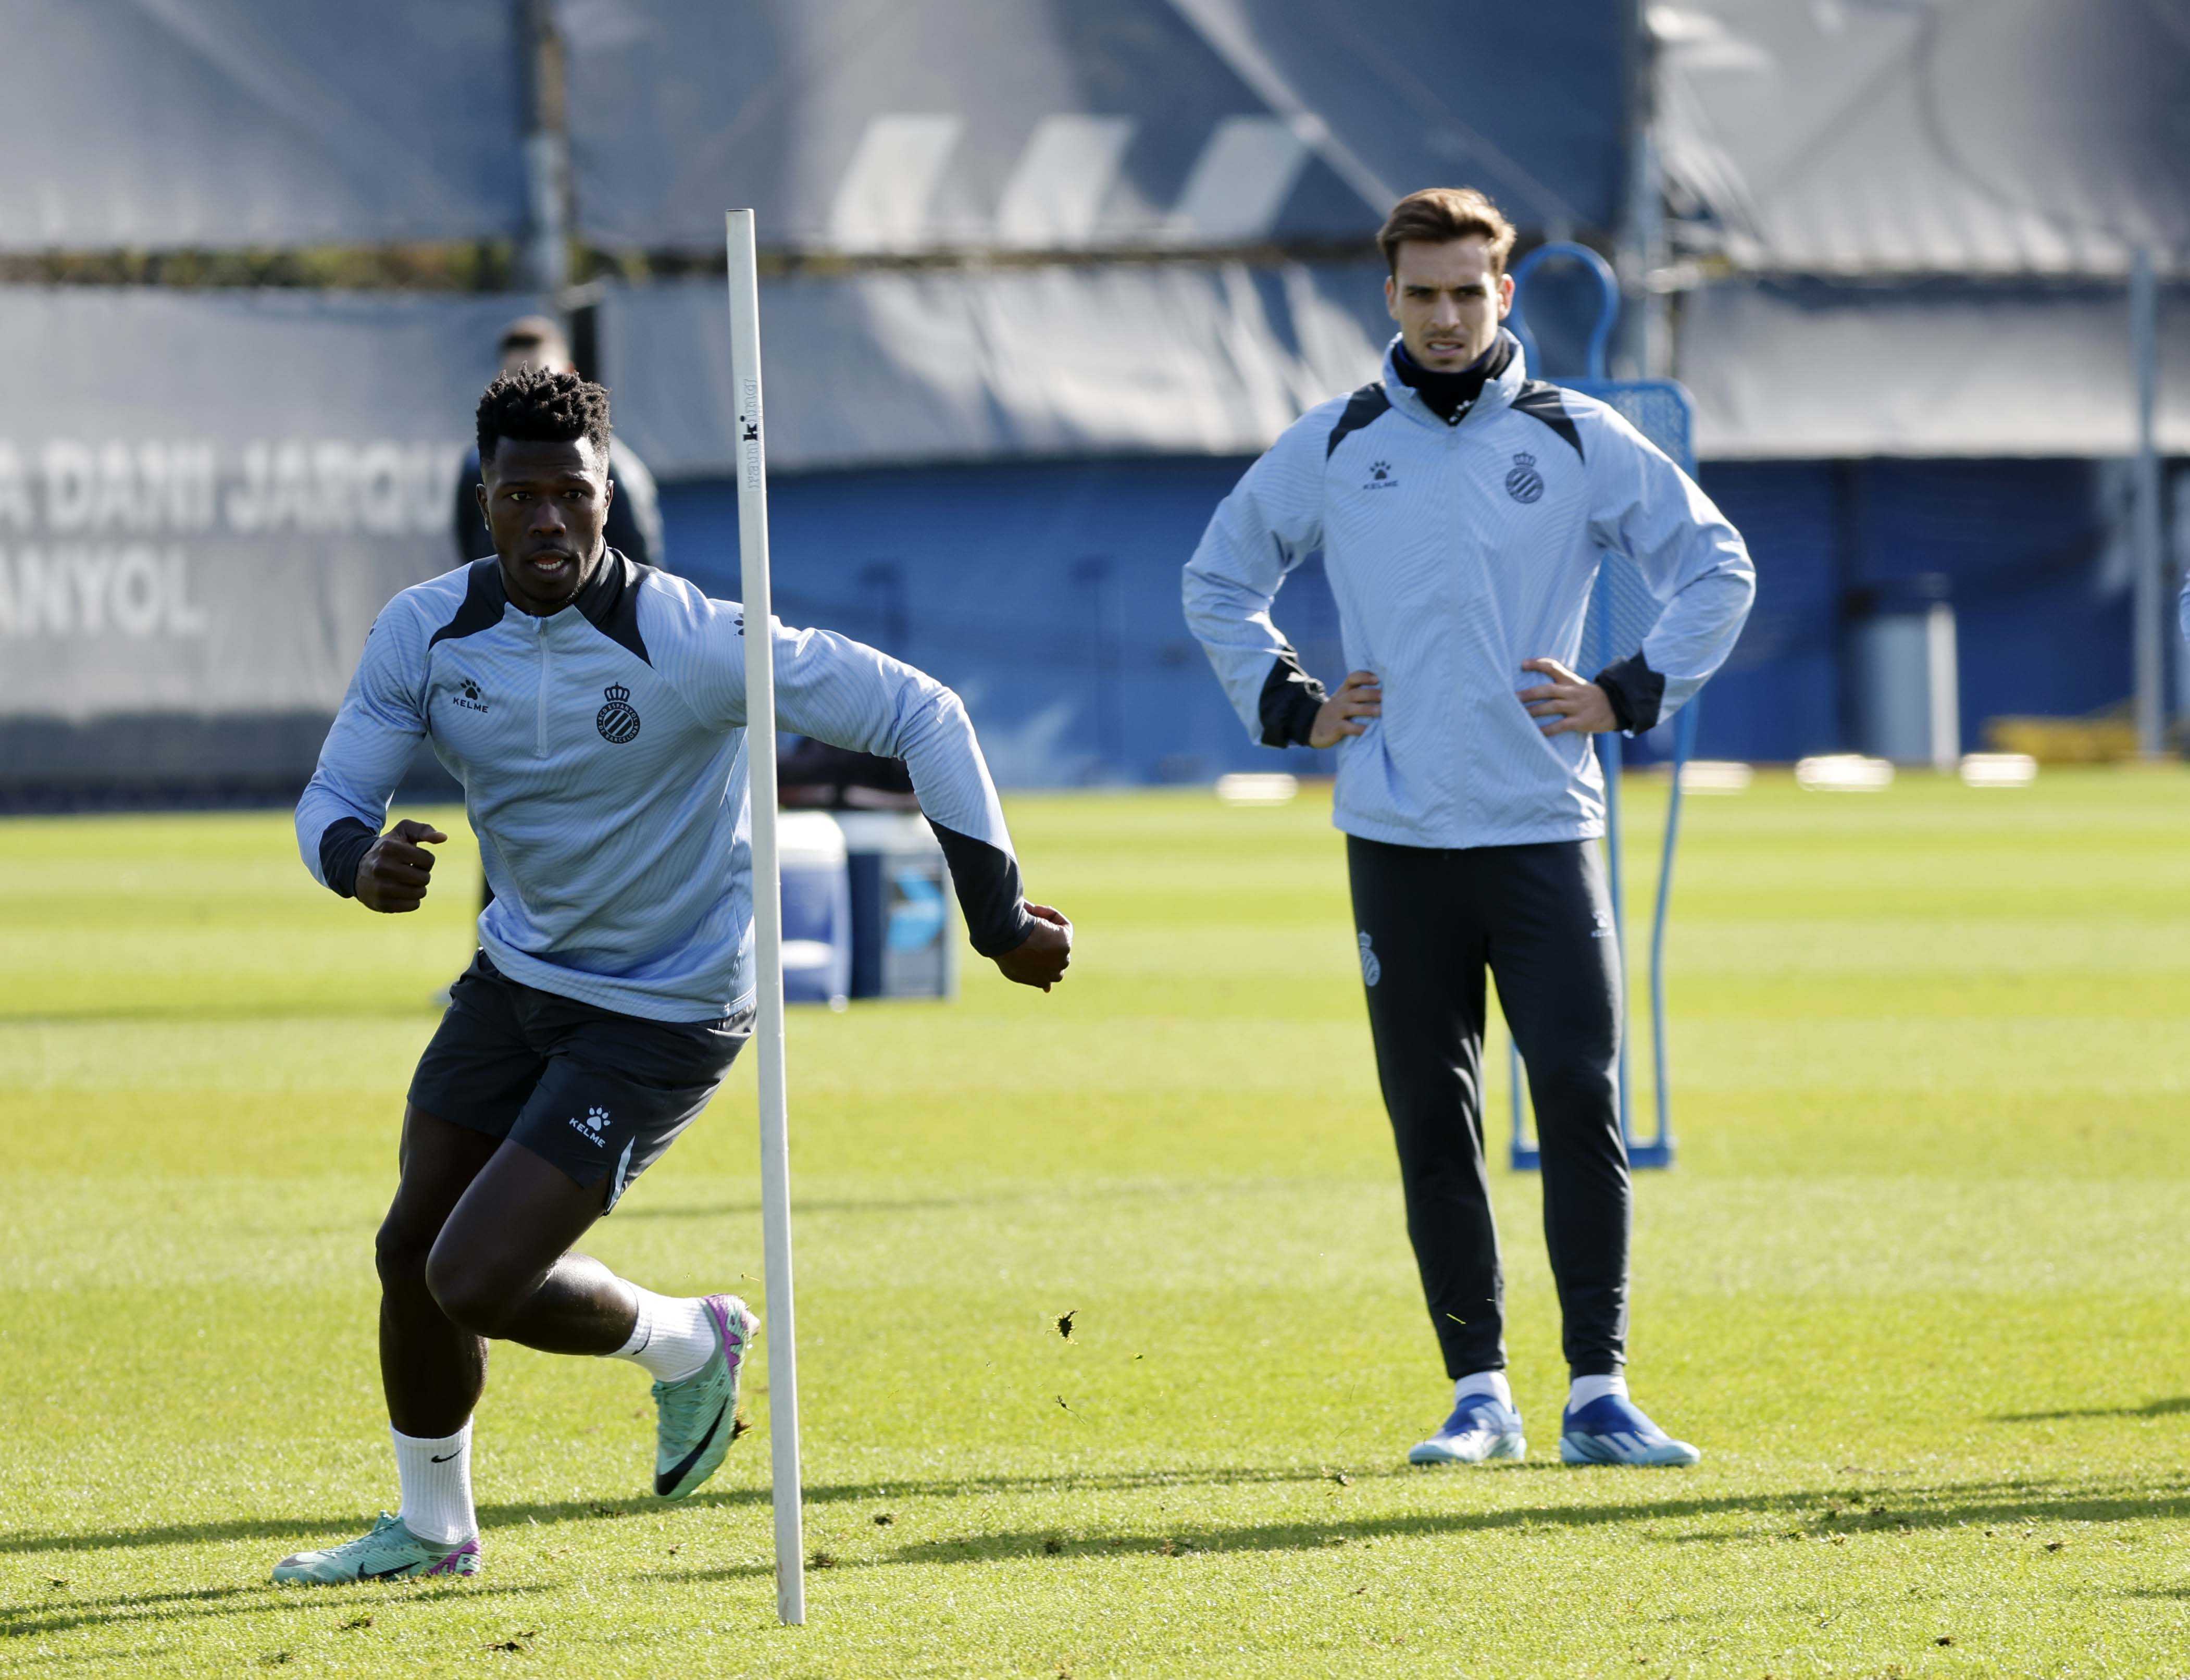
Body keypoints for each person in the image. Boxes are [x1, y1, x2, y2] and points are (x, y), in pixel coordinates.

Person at [277, 366, 1072, 1584]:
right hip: (517, 976)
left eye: (573, 493)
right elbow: (336, 793)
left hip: (664, 1007)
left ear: (610, 498)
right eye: (521, 496)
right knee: (409, 1252)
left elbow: (926, 713)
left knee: (470, 1276)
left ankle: (686, 1341)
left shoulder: (692, 638)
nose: (549, 519)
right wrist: (355, 860)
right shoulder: (423, 630)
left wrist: (998, 919)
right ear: (483, 502)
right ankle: (433, 1533)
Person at [1182, 188, 1754, 1470]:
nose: (1444, 316)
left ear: (1503, 295)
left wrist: (1625, 691)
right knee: (1430, 1119)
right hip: (1393, 834)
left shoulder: (1576, 434)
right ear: (1387, 297)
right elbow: (1219, 577)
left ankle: (1598, 1391)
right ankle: (1478, 1394)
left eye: (1465, 292)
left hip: (1542, 825)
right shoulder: (1336, 441)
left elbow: (1716, 565)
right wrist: (1292, 704)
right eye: (1422, 293)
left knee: (1578, 1099)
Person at [453, 315, 664, 569]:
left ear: (569, 372)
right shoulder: (476, 466)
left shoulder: (615, 470)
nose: (530, 389)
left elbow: (636, 571)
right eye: (516, 378)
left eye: (573, 494)